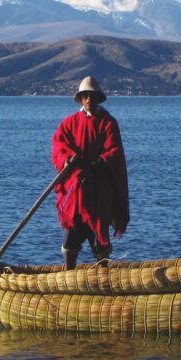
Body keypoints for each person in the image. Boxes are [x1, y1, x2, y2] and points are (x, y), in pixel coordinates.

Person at [51, 76, 129, 270]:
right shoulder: (69, 123)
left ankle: (103, 282)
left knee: (100, 244)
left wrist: (94, 166)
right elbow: (59, 147)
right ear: (81, 99)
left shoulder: (108, 123)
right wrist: (68, 159)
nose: (88, 100)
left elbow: (114, 152)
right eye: (85, 96)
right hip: (75, 193)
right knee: (70, 241)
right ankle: (68, 279)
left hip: (98, 194)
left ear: (98, 98)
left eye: (92, 96)